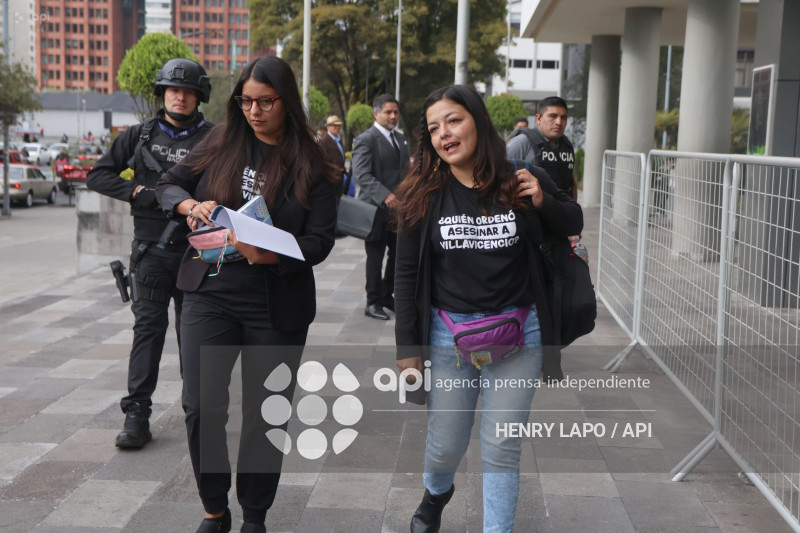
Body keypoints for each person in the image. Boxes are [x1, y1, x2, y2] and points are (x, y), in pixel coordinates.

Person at [156, 56, 338, 533]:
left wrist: (270, 255)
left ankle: (255, 515)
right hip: (209, 291)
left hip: (276, 302)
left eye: (265, 102)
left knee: (266, 411)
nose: (254, 111)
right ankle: (215, 509)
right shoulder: (220, 141)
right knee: (201, 405)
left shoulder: (314, 161)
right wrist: (192, 205)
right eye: (246, 101)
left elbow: (320, 241)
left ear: (286, 102)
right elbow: (168, 184)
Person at [393, 85, 582, 532]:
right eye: (434, 128)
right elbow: (404, 275)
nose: (444, 134)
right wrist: (408, 348)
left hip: (521, 333)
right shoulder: (422, 192)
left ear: (477, 120)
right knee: (445, 445)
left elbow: (572, 221)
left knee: (502, 445)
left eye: (453, 120)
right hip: (447, 336)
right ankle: (436, 493)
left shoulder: (521, 176)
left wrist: (543, 199)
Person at [86, 58, 214, 449]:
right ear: (162, 94)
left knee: (197, 337)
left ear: (198, 97)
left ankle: (202, 413)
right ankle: (137, 414)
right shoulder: (139, 136)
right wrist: (136, 192)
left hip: (198, 253)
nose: (180, 97)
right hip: (151, 254)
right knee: (148, 333)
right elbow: (98, 174)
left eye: (188, 92)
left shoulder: (215, 138)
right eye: (173, 90)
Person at [351, 93, 410, 320]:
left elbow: (403, 171)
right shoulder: (367, 138)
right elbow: (361, 174)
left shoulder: (400, 138)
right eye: (388, 112)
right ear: (376, 113)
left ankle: (387, 296)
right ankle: (372, 302)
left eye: (395, 112)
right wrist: (385, 196)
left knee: (397, 255)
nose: (393, 116)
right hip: (375, 210)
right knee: (375, 258)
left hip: (398, 211)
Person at [507, 96, 577, 200]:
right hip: (530, 212)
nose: (559, 122)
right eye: (553, 116)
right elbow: (498, 179)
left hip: (561, 211)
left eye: (563, 117)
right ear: (538, 118)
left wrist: (573, 210)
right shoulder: (520, 144)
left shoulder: (566, 145)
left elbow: (570, 180)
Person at [319, 114, 353, 196]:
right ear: (328, 127)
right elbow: (321, 161)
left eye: (338, 125)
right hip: (329, 179)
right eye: (334, 125)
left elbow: (340, 157)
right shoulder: (324, 141)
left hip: (340, 179)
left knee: (338, 202)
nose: (337, 127)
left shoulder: (338, 140)